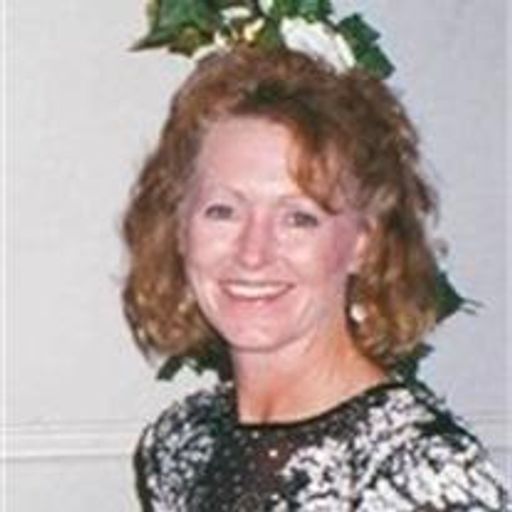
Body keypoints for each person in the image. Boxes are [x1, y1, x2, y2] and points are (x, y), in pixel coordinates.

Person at [122, 46, 509, 511]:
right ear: (179, 227)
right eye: (223, 211)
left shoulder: (421, 473)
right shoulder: (183, 442)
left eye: (299, 218)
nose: (252, 253)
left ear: (363, 242)